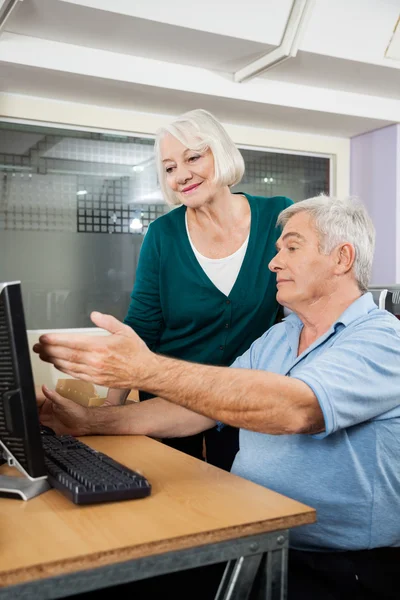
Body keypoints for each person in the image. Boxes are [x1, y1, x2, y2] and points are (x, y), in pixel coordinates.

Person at [35, 195, 400, 600]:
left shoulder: (382, 339)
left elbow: (294, 409)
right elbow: (198, 410)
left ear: (342, 258)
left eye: (291, 247)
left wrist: (147, 370)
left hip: (334, 566)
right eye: (277, 250)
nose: (273, 263)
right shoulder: (280, 336)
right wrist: (88, 423)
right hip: (251, 539)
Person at [105, 108, 292, 471]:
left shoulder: (279, 217)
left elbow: (299, 305)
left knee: (243, 495)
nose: (181, 175)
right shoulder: (163, 234)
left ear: (219, 153)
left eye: (193, 157)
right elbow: (141, 327)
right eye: (170, 167)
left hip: (245, 395)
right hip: (169, 397)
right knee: (171, 497)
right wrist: (110, 412)